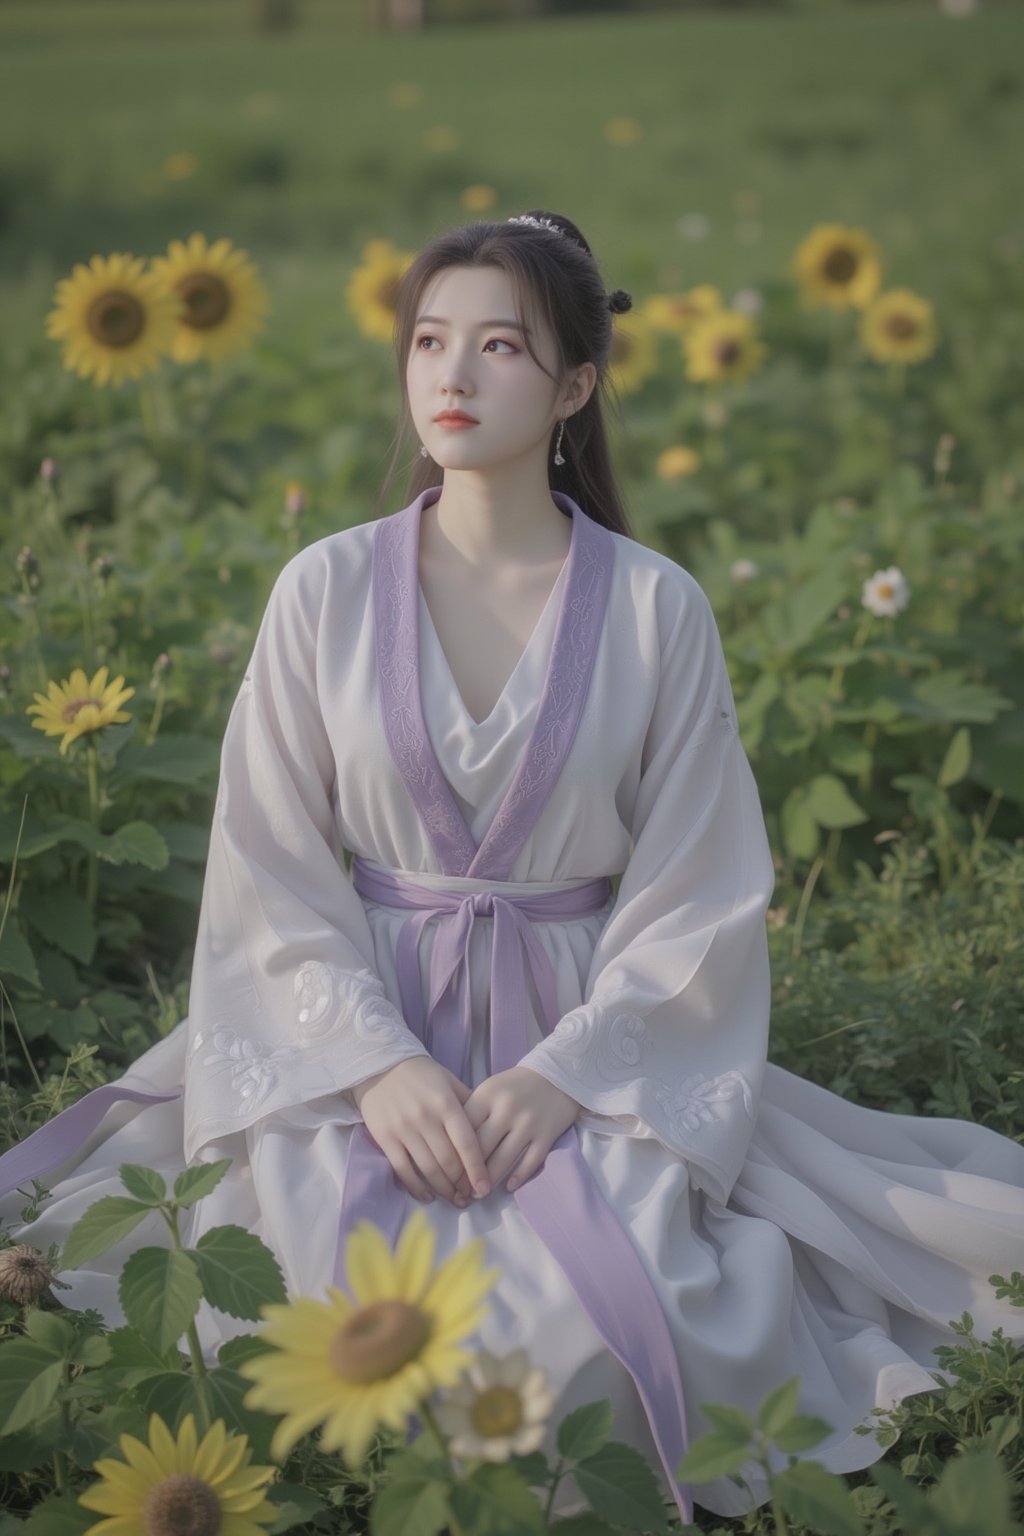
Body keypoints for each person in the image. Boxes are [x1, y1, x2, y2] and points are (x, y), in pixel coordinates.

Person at [2, 209, 1022, 1524]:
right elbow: (270, 868)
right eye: (430, 341)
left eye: (499, 346)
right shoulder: (323, 591)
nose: (454, 377)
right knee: (321, 1313)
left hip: (590, 1037)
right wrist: (376, 1066)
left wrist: (563, 1077)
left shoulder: (657, 607)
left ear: (576, 386)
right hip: (351, 1022)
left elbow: (700, 891)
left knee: (589, 1329)